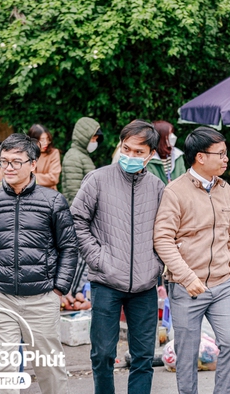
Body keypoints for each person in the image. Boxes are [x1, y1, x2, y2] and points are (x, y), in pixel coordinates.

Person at [0, 133, 78, 394]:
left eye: (16, 162)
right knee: (2, 369)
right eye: (4, 161)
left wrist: (59, 288)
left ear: (33, 164)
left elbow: (69, 247)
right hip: (1, 297)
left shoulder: (53, 201)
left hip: (42, 298)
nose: (8, 167)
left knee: (49, 369)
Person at [71, 120, 165, 394]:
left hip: (145, 285)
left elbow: (166, 232)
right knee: (102, 355)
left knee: (143, 357)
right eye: (127, 149)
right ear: (120, 146)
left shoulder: (158, 187)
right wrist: (98, 259)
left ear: (150, 155)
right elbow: (76, 221)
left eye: (139, 152)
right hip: (106, 282)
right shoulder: (98, 179)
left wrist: (156, 266)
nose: (131, 156)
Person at [154, 127, 230, 394]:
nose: (226, 159)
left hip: (224, 283)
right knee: (187, 353)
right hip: (186, 287)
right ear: (200, 157)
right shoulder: (175, 192)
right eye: (221, 153)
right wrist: (187, 277)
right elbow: (163, 240)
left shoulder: (225, 189)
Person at [62, 116, 103, 205]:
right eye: (93, 138)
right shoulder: (73, 157)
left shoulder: (83, 156)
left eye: (96, 139)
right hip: (78, 213)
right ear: (84, 137)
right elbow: (74, 193)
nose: (94, 142)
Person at [28, 124, 62, 190]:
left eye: (47, 139)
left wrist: (29, 178)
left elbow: (54, 178)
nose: (46, 143)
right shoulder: (26, 153)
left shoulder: (53, 153)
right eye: (42, 140)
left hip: (49, 194)